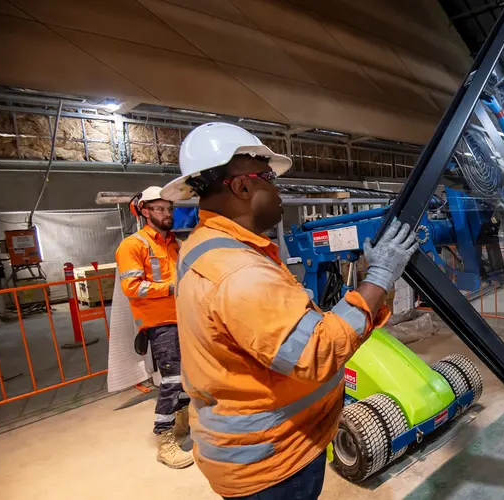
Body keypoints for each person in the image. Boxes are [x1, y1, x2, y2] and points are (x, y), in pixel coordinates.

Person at [160, 122, 418, 499]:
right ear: (242, 186)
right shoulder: (240, 272)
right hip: (272, 461)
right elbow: (318, 351)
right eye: (267, 177)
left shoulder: (206, 245)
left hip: (252, 450)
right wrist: (378, 278)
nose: (278, 189)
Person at [114, 186, 192, 468]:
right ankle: (165, 440)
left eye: (169, 209)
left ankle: (182, 425)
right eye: (159, 209)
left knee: (186, 379)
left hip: (183, 319)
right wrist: (171, 287)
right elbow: (132, 287)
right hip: (160, 325)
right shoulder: (133, 245)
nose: (167, 214)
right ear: (144, 211)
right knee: (171, 383)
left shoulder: (173, 243)